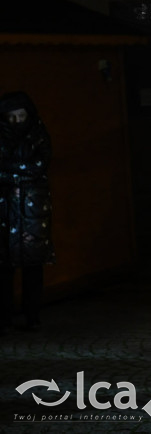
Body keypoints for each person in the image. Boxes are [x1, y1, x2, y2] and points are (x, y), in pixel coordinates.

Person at [0, 92, 54, 333]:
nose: (16, 122)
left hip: (32, 212)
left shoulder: (38, 134)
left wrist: (11, 172)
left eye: (21, 116)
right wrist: (22, 172)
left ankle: (33, 316)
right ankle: (5, 317)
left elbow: (40, 165)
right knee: (3, 267)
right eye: (11, 117)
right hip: (5, 211)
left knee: (33, 266)